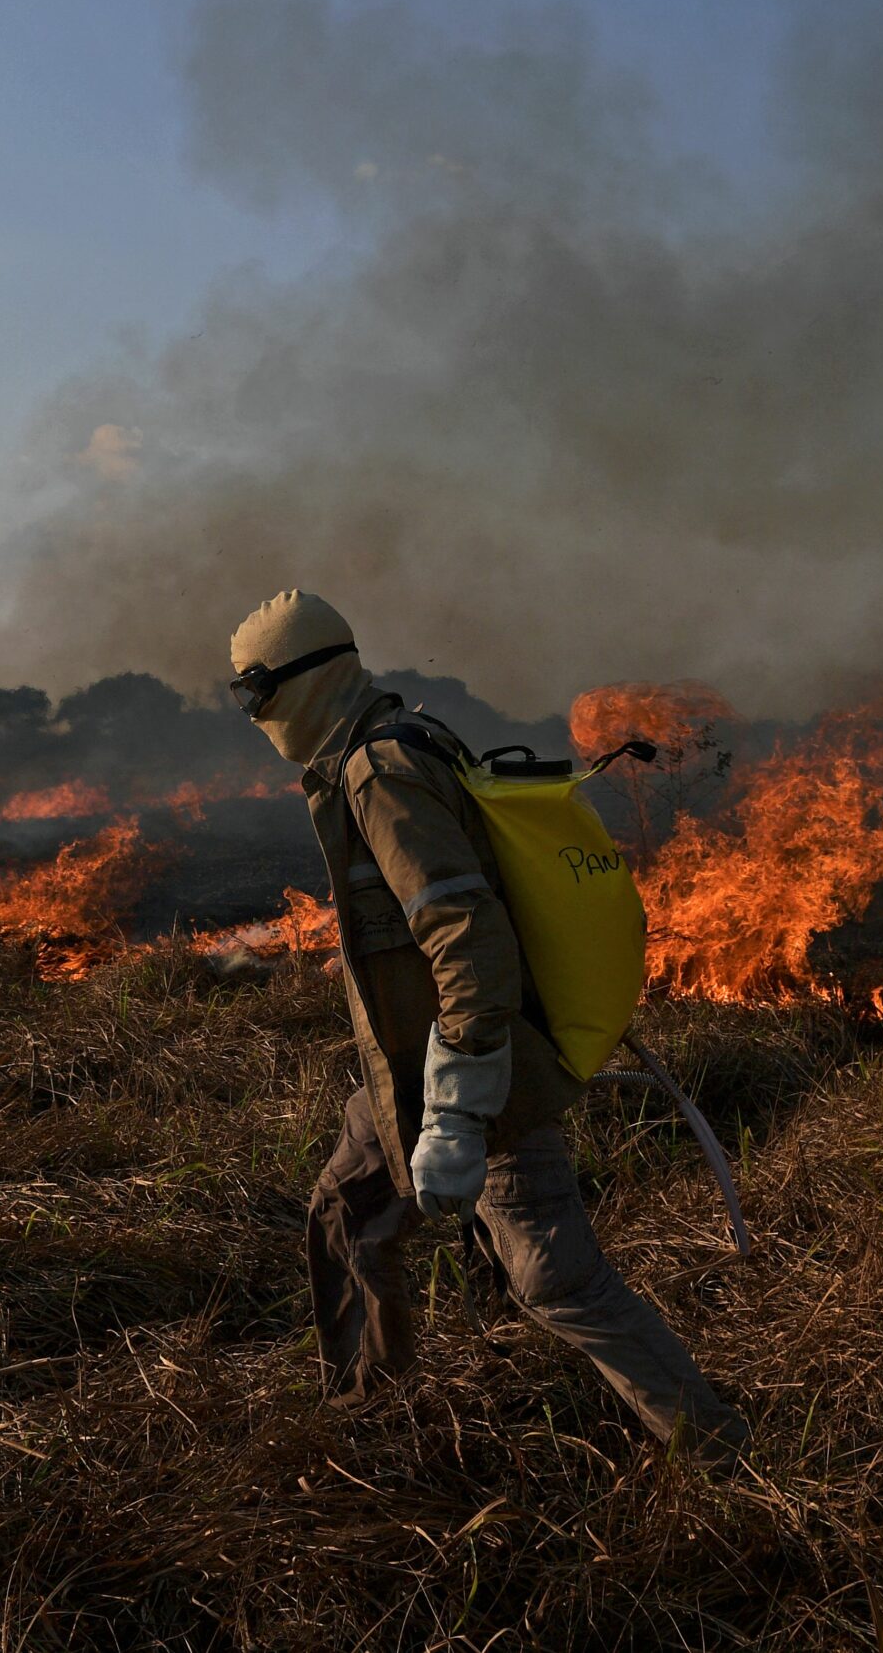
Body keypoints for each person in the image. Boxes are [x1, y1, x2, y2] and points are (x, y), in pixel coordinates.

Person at [228, 589, 747, 1460]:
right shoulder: (392, 739)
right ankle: (372, 1413)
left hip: (478, 1064)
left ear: (299, 683)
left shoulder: (380, 772)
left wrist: (460, 1113)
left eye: (254, 692)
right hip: (413, 1065)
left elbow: (466, 936)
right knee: (347, 1213)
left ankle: (725, 1452)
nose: (253, 714)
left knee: (557, 1280)